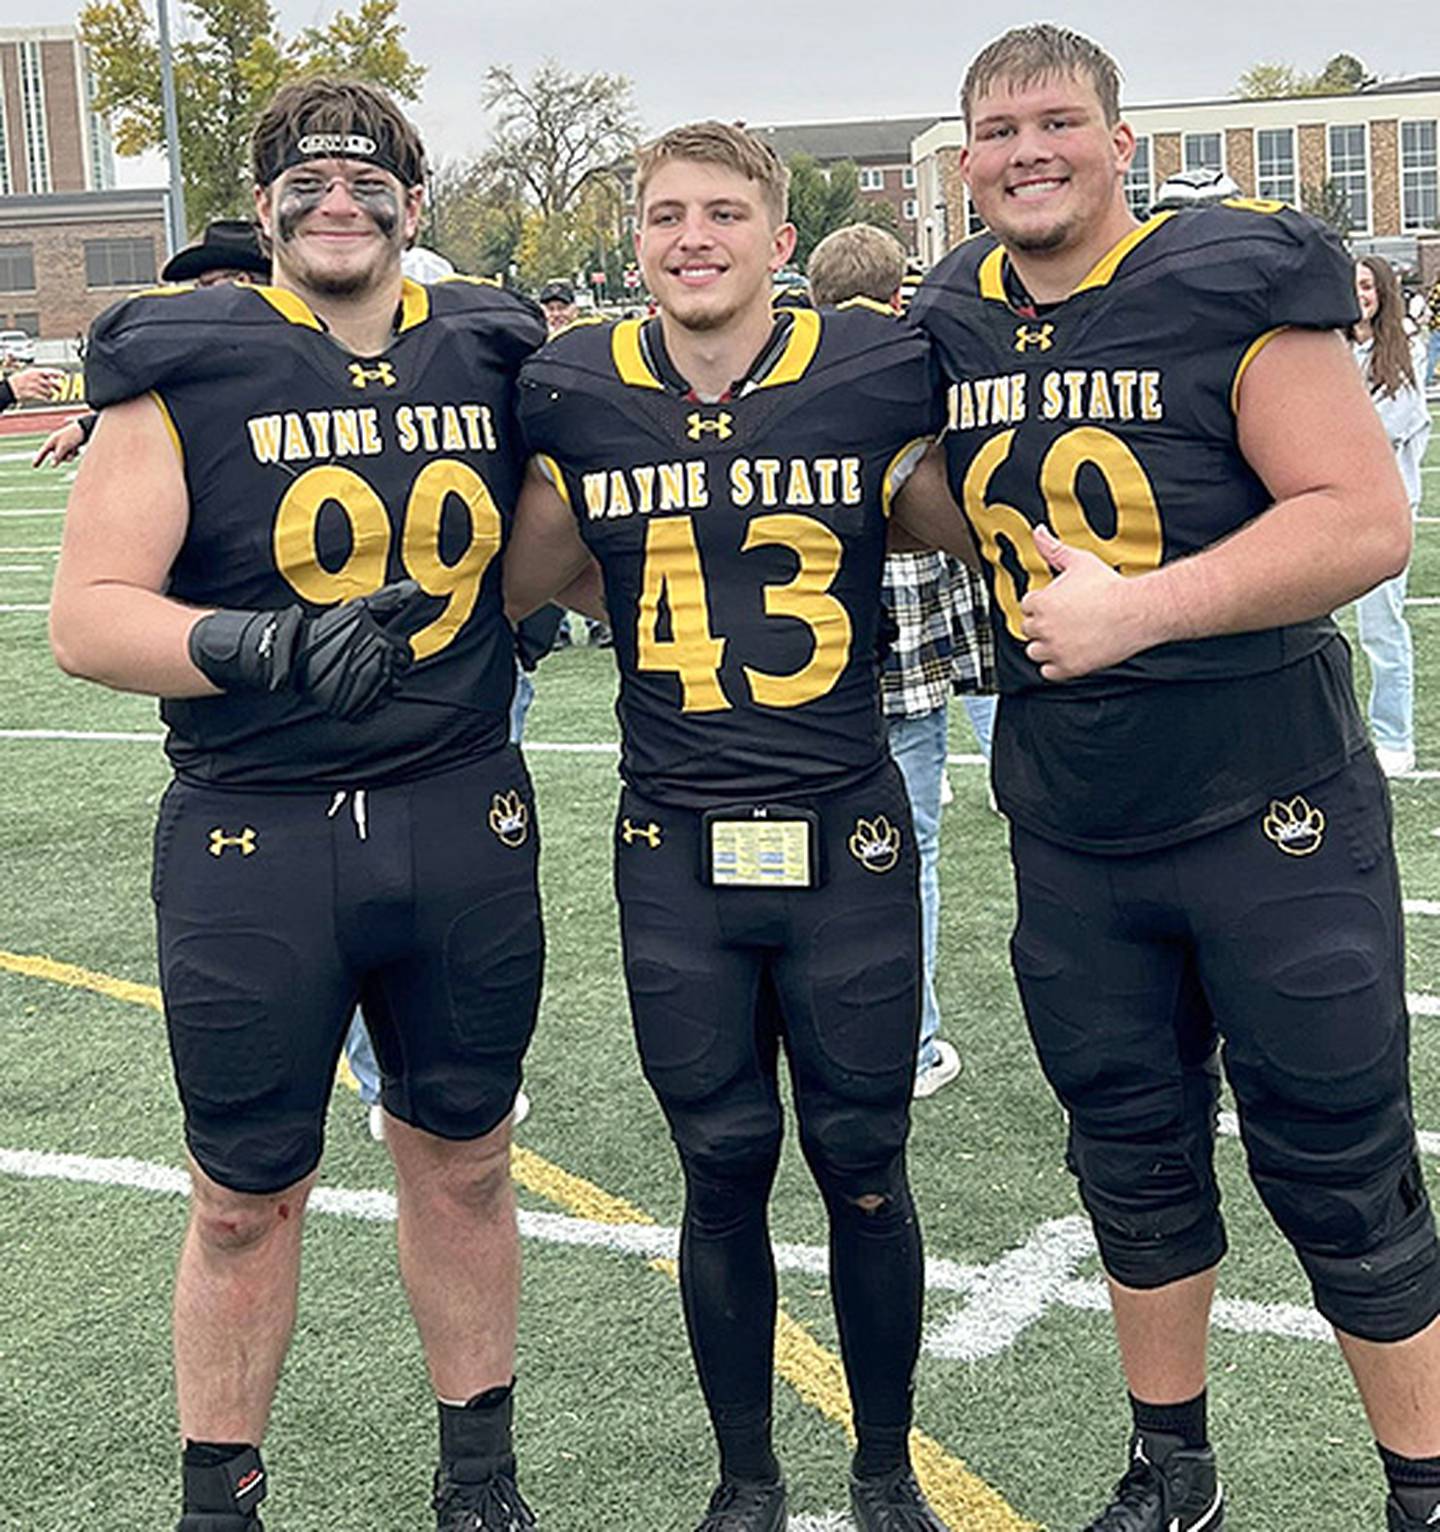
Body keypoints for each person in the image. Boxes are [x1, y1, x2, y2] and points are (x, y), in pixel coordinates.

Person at [909, 24, 1440, 1532]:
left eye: (1059, 121)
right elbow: (930, 486)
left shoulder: (1226, 280)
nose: (1030, 150)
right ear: (967, 162)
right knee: (1129, 1157)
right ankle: (1172, 1467)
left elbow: (1360, 521)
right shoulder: (949, 314)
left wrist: (1139, 606)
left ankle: (1424, 1484)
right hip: (1074, 818)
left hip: (1265, 801)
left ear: (1119, 145)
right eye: (1000, 128)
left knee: (1341, 1159)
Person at [49, 76, 546, 1532]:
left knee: (465, 1163)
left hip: (458, 810)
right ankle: (223, 1500)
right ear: (260, 205)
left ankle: (479, 1479)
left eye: (369, 177)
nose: (340, 203)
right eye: (308, 181)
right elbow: (88, 619)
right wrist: (256, 645)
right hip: (254, 828)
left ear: (413, 197)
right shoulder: (186, 356)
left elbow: (569, 537)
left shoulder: (493, 344)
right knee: (239, 1192)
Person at [505, 120, 972, 1532]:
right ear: (637, 239)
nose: (690, 235)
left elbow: (968, 515)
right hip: (676, 843)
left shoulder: (874, 367)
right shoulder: (575, 386)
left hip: (845, 834)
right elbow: (532, 569)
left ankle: (884, 1469)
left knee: (867, 1167)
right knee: (719, 1169)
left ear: (782, 240)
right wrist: (652, 580)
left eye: (721, 211)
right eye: (663, 214)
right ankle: (747, 1480)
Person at [805, 221, 996, 1100]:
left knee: (805, 858)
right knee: (902, 857)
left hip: (806, 672)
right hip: (906, 662)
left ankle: (814, 1034)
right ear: (894, 295)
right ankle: (908, 1043)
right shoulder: (922, 373)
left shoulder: (795, 375)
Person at [34, 221, 270, 468]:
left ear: (243, 280)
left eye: (208, 284)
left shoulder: (294, 340)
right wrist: (86, 427)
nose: (199, 295)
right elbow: (183, 399)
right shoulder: (212, 349)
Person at [1351, 255, 1432, 777]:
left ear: (1382, 290)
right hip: (1331, 508)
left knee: (1382, 628)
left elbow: (1387, 428)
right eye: (1351, 285)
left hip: (1385, 507)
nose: (1359, 294)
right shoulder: (1329, 347)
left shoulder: (1404, 350)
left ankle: (1394, 738)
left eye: (1366, 285)